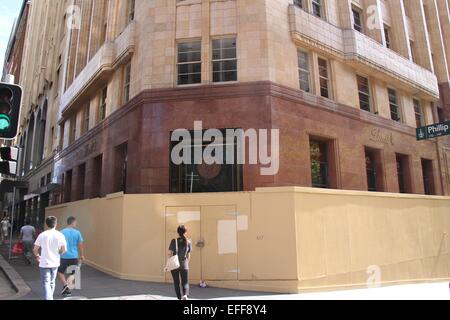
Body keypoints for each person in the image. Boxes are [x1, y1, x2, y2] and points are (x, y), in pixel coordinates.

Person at [33, 216, 67, 300]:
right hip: (55, 262)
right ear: (56, 224)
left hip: (44, 262)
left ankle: (49, 298)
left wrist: (37, 256)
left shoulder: (42, 235)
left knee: (46, 282)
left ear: (46, 224)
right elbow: (64, 250)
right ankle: (50, 297)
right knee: (52, 282)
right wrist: (58, 253)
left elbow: (35, 249)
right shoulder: (60, 235)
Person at [58, 216, 85, 297]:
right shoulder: (77, 232)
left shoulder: (61, 232)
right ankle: (67, 286)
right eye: (75, 222)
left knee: (60, 272)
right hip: (74, 256)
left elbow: (58, 245)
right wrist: (82, 255)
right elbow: (80, 245)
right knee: (74, 273)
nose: (76, 224)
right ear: (73, 222)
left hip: (63, 256)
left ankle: (65, 285)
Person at [168, 225, 192, 300]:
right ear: (185, 232)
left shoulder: (174, 241)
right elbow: (188, 255)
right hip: (184, 265)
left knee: (176, 282)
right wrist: (186, 263)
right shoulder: (188, 242)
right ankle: (185, 295)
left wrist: (170, 261)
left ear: (178, 232)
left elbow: (169, 253)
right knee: (185, 282)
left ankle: (179, 298)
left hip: (175, 265)